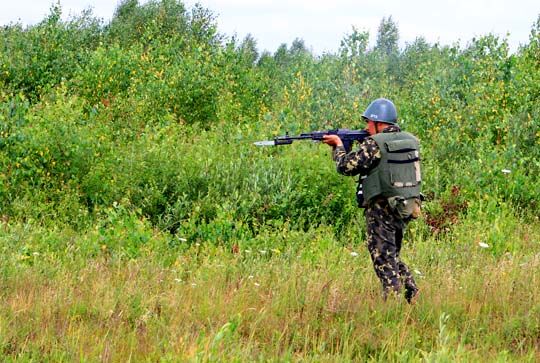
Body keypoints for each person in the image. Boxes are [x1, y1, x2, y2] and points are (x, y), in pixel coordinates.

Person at [322, 98, 422, 303]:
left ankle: (393, 305)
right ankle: (410, 289)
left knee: (383, 258)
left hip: (381, 209)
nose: (366, 127)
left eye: (369, 122)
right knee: (391, 254)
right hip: (405, 205)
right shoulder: (410, 140)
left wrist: (338, 146)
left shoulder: (374, 144)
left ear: (379, 122)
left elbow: (346, 166)